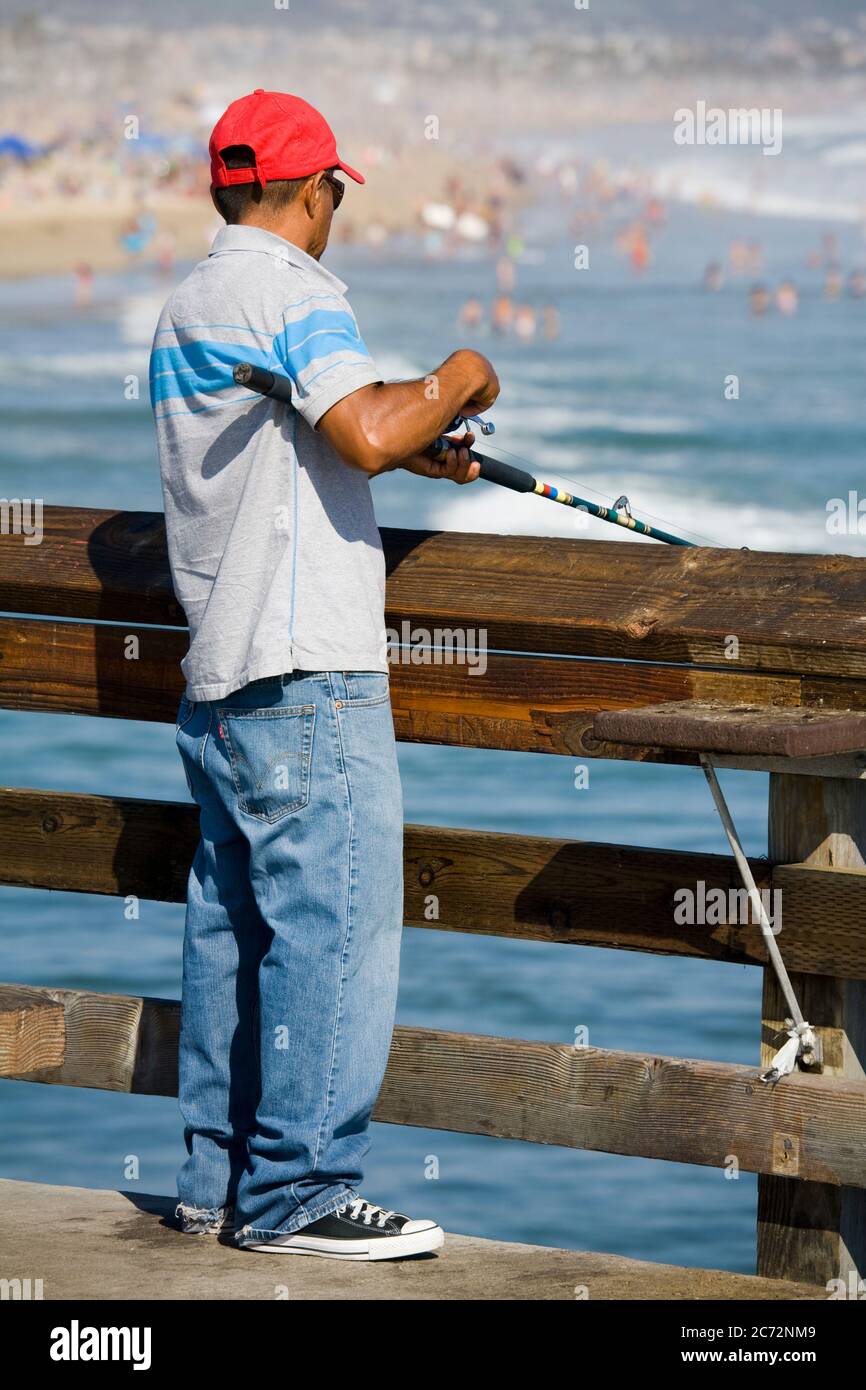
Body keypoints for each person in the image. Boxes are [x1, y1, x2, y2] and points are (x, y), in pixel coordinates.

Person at [148, 89, 499, 1261]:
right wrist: (457, 376)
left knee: (231, 930)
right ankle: (297, 1192)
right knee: (333, 928)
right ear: (313, 193)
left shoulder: (193, 299)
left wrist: (408, 437)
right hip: (308, 675)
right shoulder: (293, 291)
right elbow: (357, 431)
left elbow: (307, 450)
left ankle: (218, 1176)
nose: (334, 210)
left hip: (222, 676)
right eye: (333, 193)